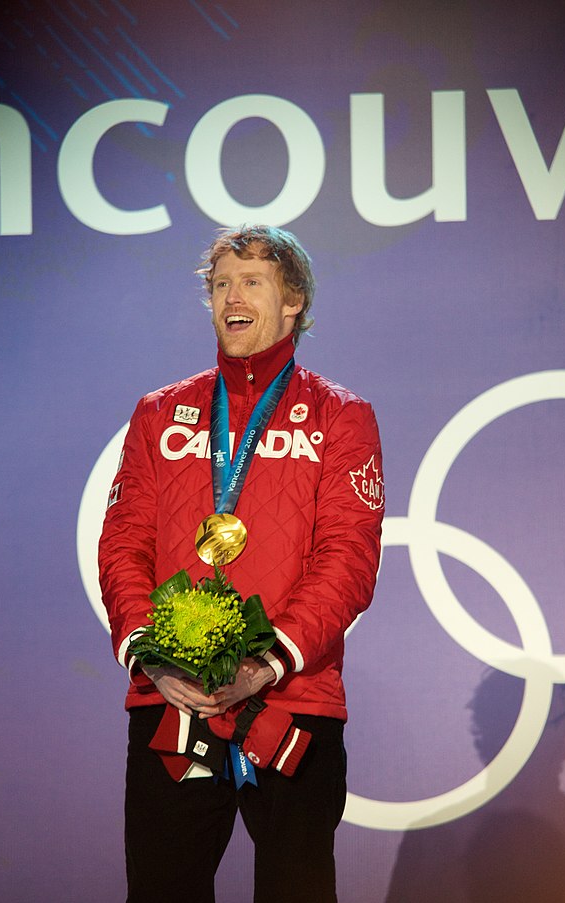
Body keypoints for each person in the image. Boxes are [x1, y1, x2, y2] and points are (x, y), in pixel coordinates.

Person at [98, 225, 384, 903]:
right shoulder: (158, 413)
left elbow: (348, 557)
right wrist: (153, 658)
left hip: (292, 699)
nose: (232, 294)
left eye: (252, 280)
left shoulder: (342, 416)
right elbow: (122, 544)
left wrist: (267, 661)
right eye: (221, 282)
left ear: (292, 301)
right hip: (174, 699)